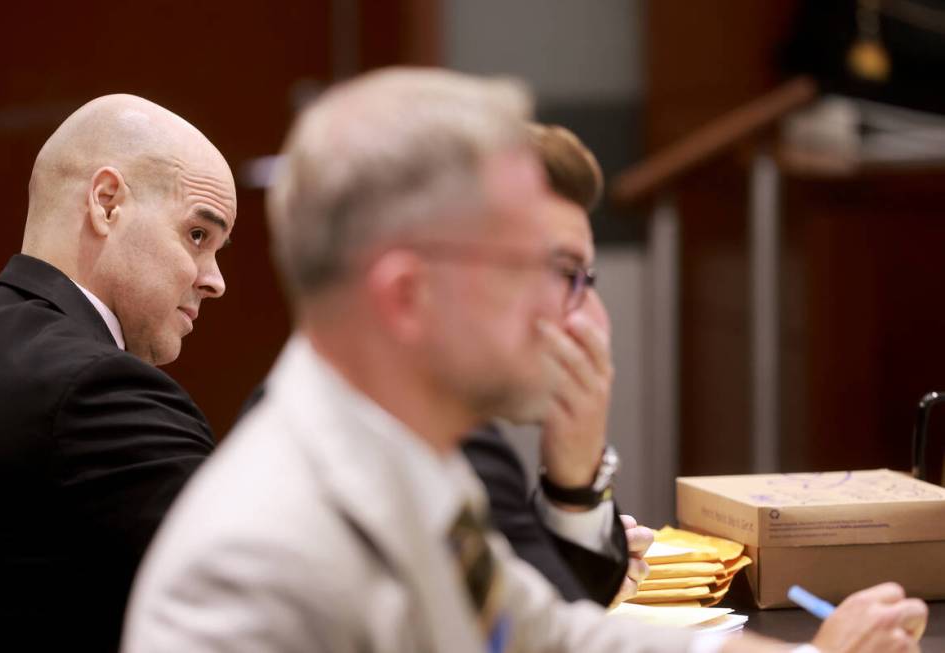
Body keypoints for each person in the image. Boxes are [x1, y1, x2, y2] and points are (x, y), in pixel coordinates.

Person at [122, 68, 926, 653]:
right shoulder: (255, 568)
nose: (568, 313)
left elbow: (547, 638)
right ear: (408, 296)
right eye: (529, 270)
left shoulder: (409, 462)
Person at [0, 94, 236, 651]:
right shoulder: (98, 392)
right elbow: (263, 605)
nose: (214, 280)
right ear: (107, 203)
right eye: (197, 235)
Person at [462, 122, 649, 606]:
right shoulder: (438, 453)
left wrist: (574, 482)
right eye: (566, 274)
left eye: (587, 279)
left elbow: (535, 618)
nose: (594, 317)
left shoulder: (462, 442)